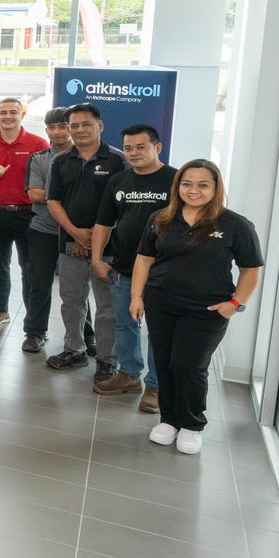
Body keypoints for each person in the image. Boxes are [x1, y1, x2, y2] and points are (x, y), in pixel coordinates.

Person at [130, 160, 263, 455]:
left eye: (203, 184)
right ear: (178, 186)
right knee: (163, 362)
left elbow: (251, 269)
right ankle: (169, 420)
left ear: (216, 188)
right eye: (187, 183)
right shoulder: (161, 218)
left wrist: (235, 304)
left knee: (189, 366)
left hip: (207, 311)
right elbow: (144, 259)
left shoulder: (234, 224)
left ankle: (191, 425)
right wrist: (137, 296)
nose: (194, 190)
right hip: (161, 304)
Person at [92, 124, 175, 410]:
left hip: (164, 273)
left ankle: (156, 386)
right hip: (124, 267)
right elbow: (103, 223)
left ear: (157, 148)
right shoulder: (118, 180)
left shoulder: (176, 181)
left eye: (141, 147)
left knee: (159, 330)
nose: (134, 153)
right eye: (128, 148)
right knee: (124, 323)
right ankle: (129, 374)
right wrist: (97, 258)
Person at [45, 103, 127, 383]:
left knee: (107, 306)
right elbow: (53, 201)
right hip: (70, 242)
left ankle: (107, 359)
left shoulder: (118, 161)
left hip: (109, 249)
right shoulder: (60, 161)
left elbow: (124, 206)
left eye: (86, 124)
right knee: (72, 300)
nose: (79, 130)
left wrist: (97, 238)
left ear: (100, 126)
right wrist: (76, 232)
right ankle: (74, 349)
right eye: (74, 126)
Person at [0, 97, 49, 329]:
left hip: (30, 215)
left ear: (21, 115)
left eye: (13, 112)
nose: (8, 116)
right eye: (3, 112)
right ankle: (0, 312)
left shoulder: (38, 144)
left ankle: (33, 322)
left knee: (30, 269)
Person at [22, 108, 90, 355]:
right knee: (38, 283)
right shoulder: (39, 158)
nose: (58, 132)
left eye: (63, 126)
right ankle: (35, 332)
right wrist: (65, 197)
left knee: (78, 288)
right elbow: (34, 194)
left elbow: (48, 194)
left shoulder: (86, 158)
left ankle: (87, 336)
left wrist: (53, 197)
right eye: (52, 127)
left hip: (78, 233)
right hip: (43, 230)